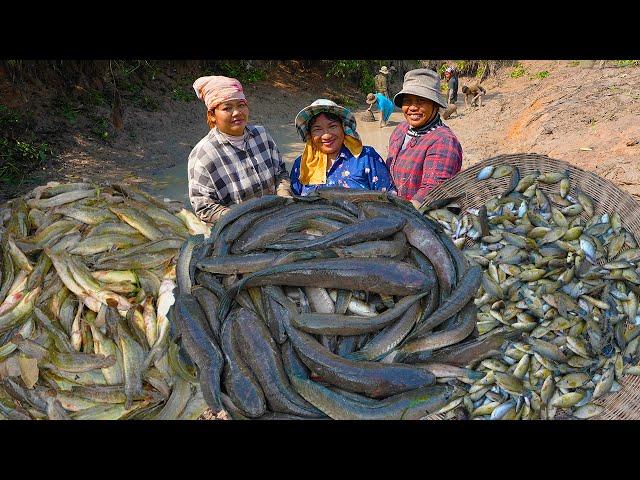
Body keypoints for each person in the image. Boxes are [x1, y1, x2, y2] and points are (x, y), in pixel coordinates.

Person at [187, 75, 292, 224]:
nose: (237, 112)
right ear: (212, 115)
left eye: (241, 105)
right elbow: (205, 208)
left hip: (277, 218)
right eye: (227, 108)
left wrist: (283, 198)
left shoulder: (261, 135)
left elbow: (281, 173)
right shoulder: (203, 155)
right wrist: (244, 218)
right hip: (237, 231)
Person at [386, 69, 463, 209]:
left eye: (421, 101)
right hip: (395, 209)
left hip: (421, 219)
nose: (413, 107)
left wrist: (400, 214)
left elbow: (432, 191)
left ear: (435, 104)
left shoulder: (444, 141)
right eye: (407, 101)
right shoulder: (401, 129)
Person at [290, 99, 395, 196]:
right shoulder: (302, 165)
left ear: (343, 128)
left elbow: (389, 198)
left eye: (332, 126)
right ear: (310, 135)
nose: (326, 135)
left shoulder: (366, 157)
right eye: (317, 129)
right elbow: (294, 204)